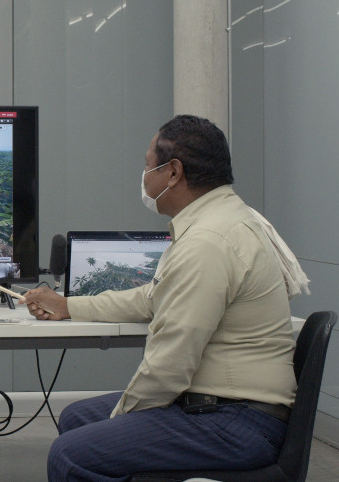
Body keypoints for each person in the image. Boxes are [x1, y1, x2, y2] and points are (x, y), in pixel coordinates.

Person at [21, 115, 301, 481]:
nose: (144, 176)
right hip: (223, 405)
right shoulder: (221, 220)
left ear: (173, 173)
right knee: (77, 418)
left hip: (237, 421)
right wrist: (69, 305)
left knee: (71, 454)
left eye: (148, 165)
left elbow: (169, 365)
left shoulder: (208, 243)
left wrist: (120, 422)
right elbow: (152, 298)